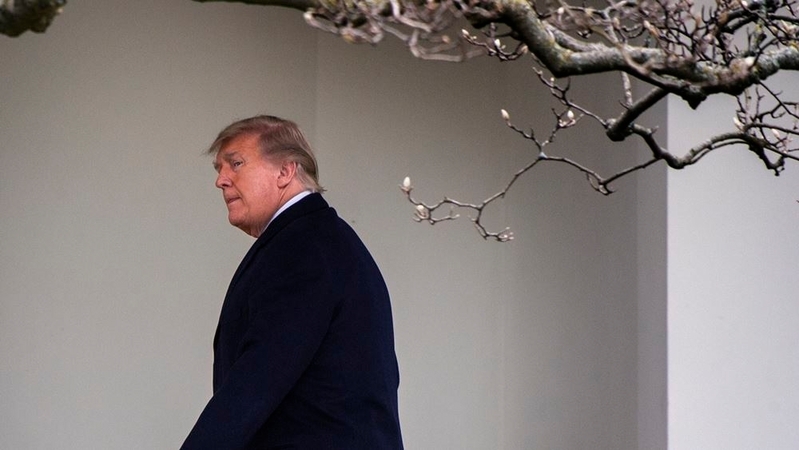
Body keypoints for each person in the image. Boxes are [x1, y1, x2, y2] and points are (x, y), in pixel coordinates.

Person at [180, 115, 404, 449]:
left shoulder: (304, 248)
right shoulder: (316, 239)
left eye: (236, 163)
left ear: (286, 171)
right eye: (219, 169)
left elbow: (258, 379)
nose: (222, 180)